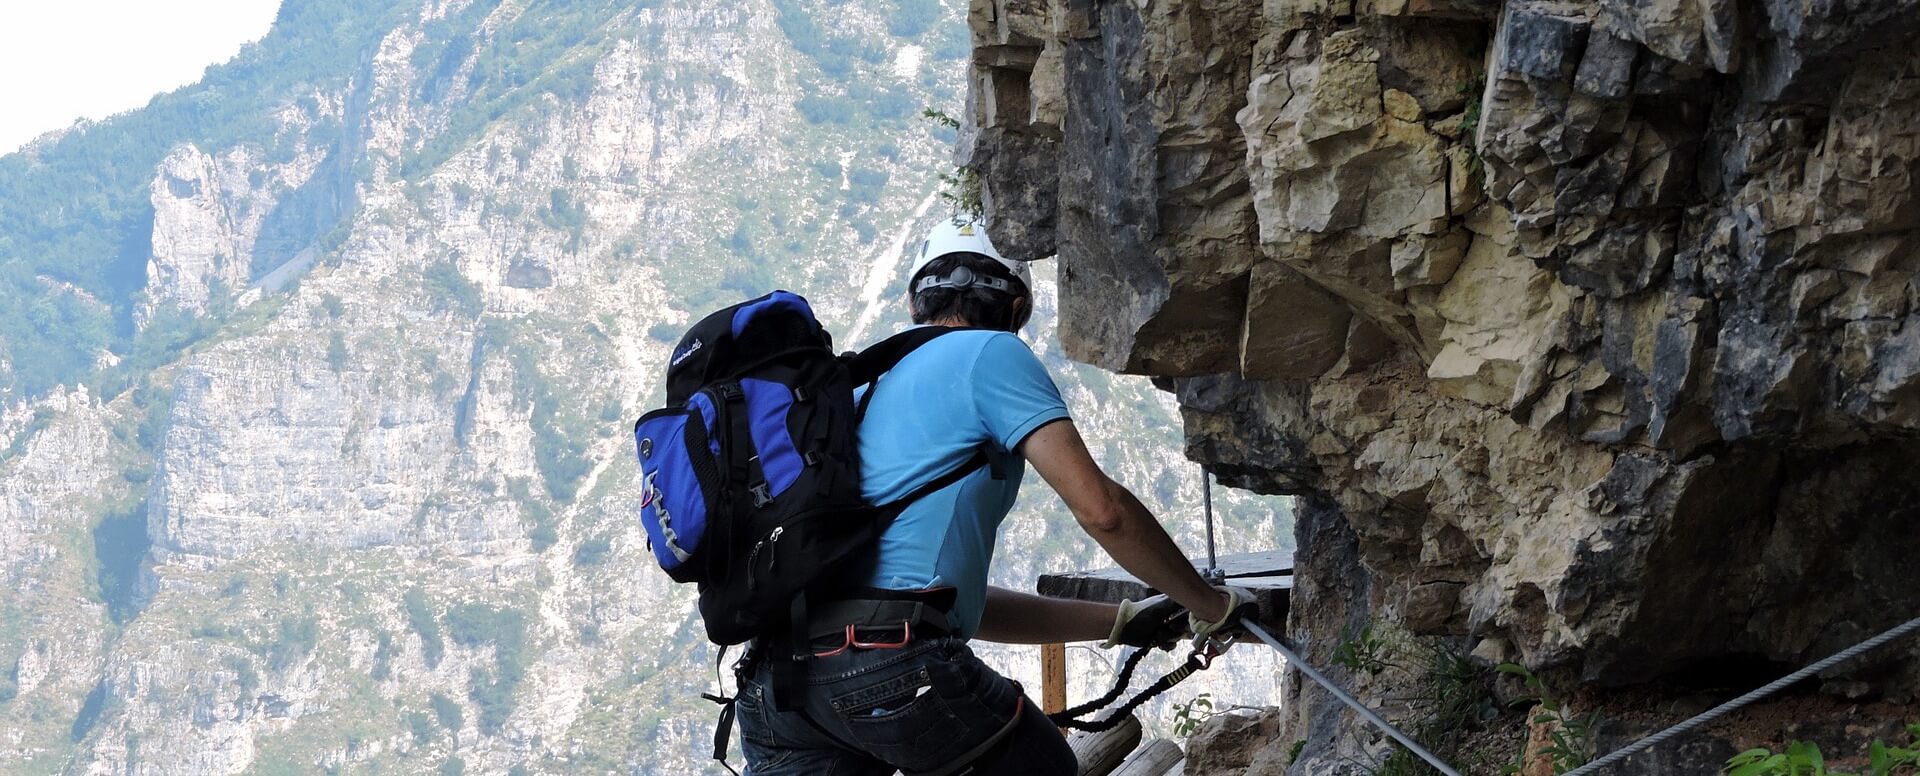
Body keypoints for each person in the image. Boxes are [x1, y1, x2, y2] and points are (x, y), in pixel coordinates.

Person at [731, 216, 1255, 775]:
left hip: (775, 687)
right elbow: (1104, 512)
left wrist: (1121, 620)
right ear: (1015, 309)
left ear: (917, 304)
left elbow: (951, 606)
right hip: (890, 668)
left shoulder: (853, 389)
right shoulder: (989, 353)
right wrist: (1211, 605)